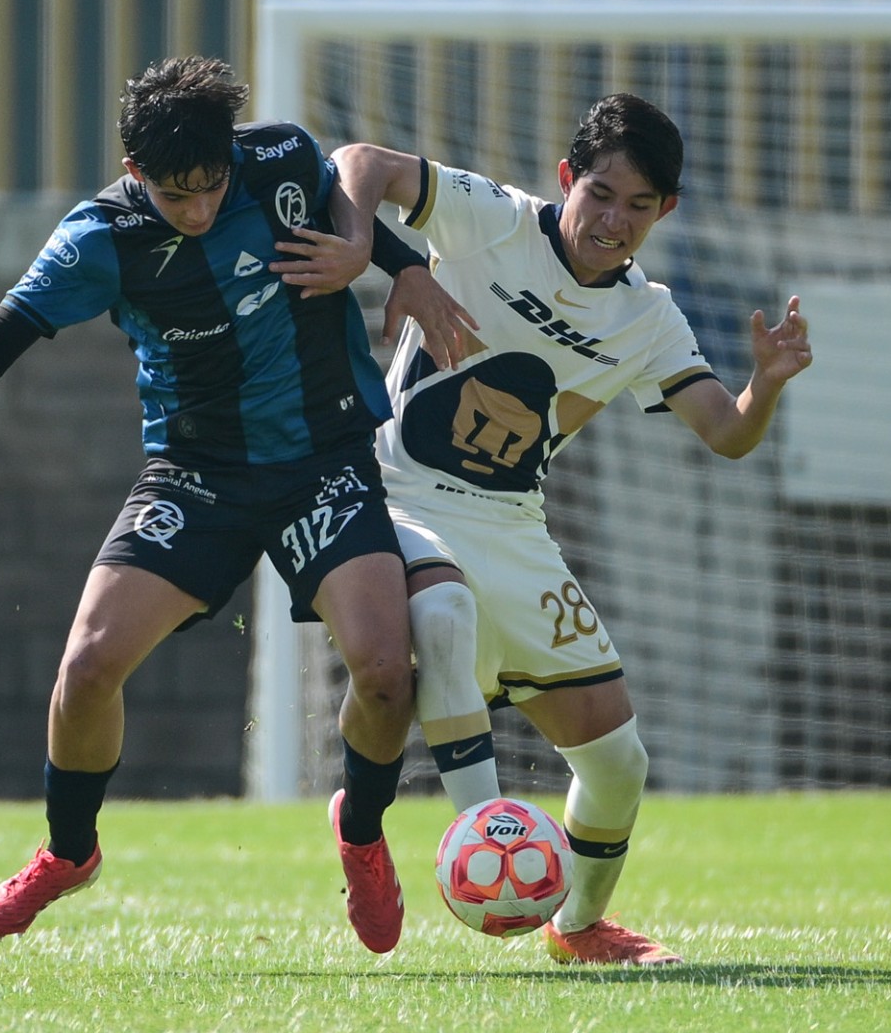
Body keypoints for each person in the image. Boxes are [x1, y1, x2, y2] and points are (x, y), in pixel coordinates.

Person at [0, 56, 464, 954]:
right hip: (196, 474)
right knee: (87, 667)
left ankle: (363, 833)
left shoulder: (280, 160)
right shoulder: (99, 238)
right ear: (135, 171)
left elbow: (348, 186)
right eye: (177, 195)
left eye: (212, 185)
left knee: (383, 672)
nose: (201, 209)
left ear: (231, 157)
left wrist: (397, 262)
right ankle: (69, 851)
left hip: (322, 461)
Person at [333, 94, 814, 966]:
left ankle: (580, 925)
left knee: (620, 761)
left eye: (639, 205)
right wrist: (370, 247)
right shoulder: (493, 219)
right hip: (404, 496)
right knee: (443, 613)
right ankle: (483, 839)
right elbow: (360, 162)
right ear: (567, 179)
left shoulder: (649, 316)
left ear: (666, 210)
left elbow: (727, 432)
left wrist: (768, 382)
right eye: (600, 193)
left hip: (514, 529)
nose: (613, 220)